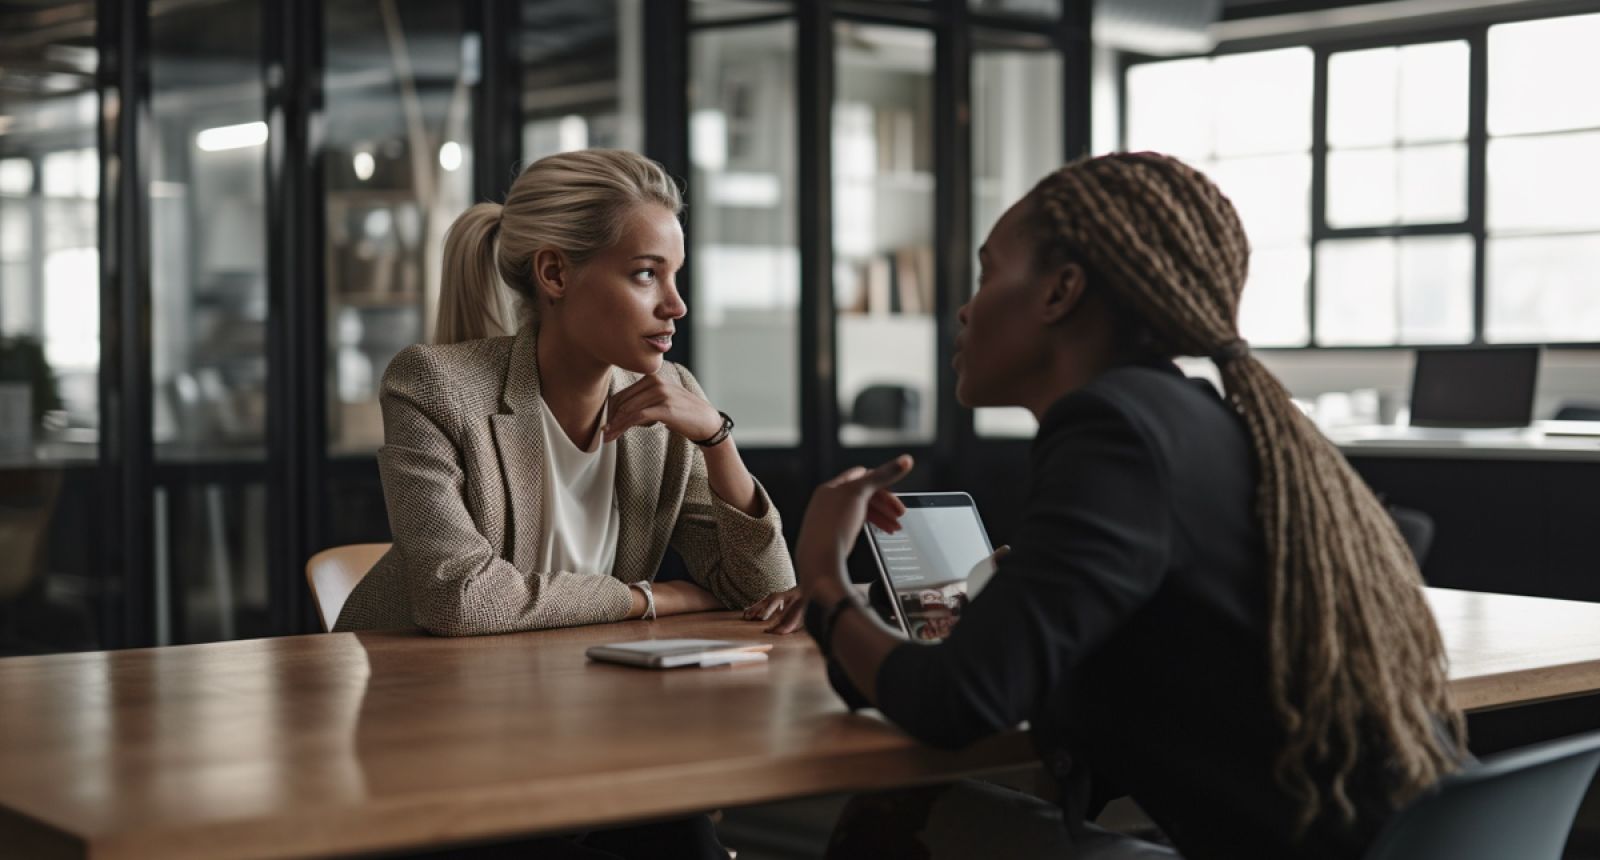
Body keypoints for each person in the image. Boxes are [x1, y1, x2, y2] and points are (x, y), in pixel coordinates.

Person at [794, 152, 1466, 859]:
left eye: (988, 272)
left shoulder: (1113, 432)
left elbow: (958, 703)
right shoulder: (1192, 418)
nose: (966, 306)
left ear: (1060, 292)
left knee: (888, 823)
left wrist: (824, 579)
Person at [336, 149, 802, 639]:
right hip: (414, 689)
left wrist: (717, 437)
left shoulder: (670, 399)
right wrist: (649, 598)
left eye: (675, 275)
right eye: (646, 273)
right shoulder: (434, 386)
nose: (676, 305)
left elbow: (765, 595)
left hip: (570, 683)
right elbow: (460, 600)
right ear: (555, 274)